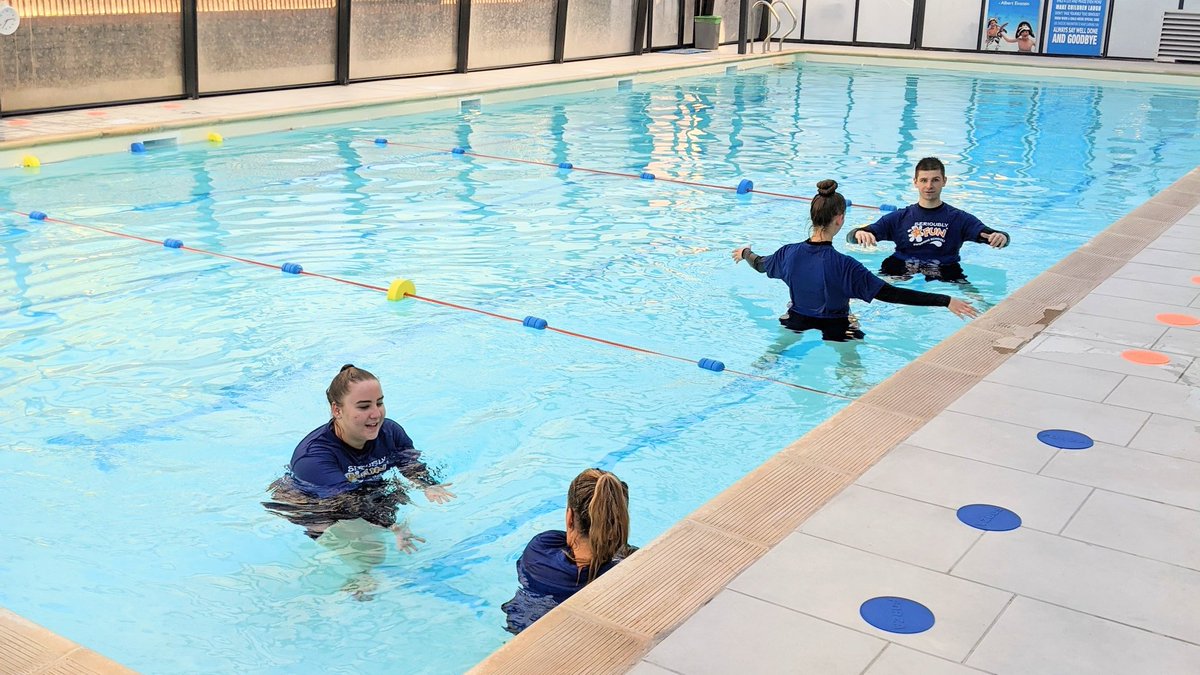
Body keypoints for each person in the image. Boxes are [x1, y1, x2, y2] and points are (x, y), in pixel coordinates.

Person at [733, 179, 978, 341]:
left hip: (794, 321)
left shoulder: (788, 253)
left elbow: (760, 264)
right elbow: (892, 295)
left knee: (774, 356)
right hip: (838, 328)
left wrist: (744, 252)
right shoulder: (845, 266)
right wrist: (945, 300)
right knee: (852, 370)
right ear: (840, 219)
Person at [264, 364, 455, 553]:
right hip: (311, 502)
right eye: (364, 406)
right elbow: (348, 503)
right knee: (369, 550)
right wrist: (394, 526)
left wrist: (427, 484)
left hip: (358, 488)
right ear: (337, 410)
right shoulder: (313, 458)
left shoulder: (390, 432)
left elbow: (408, 462)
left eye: (379, 403)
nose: (376, 414)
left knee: (394, 496)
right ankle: (358, 577)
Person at [502, 468, 636, 634]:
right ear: (621, 520)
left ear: (570, 517)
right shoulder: (628, 570)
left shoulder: (539, 549)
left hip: (522, 630)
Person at [846, 157, 1010, 283]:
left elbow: (991, 235)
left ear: (944, 181)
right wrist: (859, 233)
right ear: (915, 182)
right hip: (901, 267)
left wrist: (1001, 237)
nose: (929, 186)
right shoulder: (900, 217)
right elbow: (853, 236)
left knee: (978, 301)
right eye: (924, 180)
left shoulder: (958, 218)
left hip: (945, 269)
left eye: (935, 180)